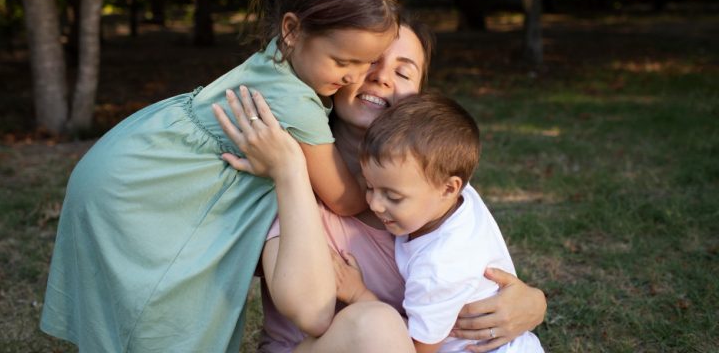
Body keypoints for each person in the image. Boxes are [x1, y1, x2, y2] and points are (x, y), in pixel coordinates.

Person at [39, 0, 399, 352]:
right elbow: (345, 198)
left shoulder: (278, 64)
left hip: (126, 165)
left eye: (366, 63)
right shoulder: (294, 101)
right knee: (156, 304)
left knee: (136, 306)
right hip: (139, 190)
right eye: (342, 62)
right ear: (292, 29)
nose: (354, 78)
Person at [215, 19, 546, 353]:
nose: (382, 77)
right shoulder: (292, 180)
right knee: (377, 325)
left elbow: (477, 276)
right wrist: (289, 172)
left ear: (419, 98)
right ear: (338, 70)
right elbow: (308, 312)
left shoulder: (435, 198)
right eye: (370, 61)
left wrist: (533, 303)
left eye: (403, 73)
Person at [354, 93, 544, 352]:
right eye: (370, 186)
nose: (375, 204)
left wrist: (358, 295)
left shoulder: (439, 267)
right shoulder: (454, 195)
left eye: (393, 196)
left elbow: (416, 348)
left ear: (448, 189)